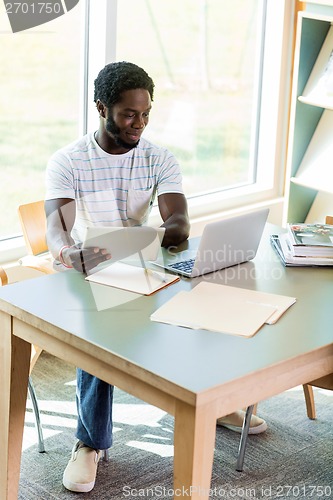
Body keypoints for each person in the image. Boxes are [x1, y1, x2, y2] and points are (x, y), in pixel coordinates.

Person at [45, 61, 266, 494]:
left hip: (146, 264)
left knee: (210, 300)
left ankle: (211, 404)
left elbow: (179, 219)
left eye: (146, 114)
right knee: (100, 336)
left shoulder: (158, 156)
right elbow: (57, 229)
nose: (139, 123)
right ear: (101, 108)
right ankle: (89, 443)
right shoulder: (69, 161)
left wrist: (164, 233)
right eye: (129, 114)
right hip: (87, 274)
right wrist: (68, 252)